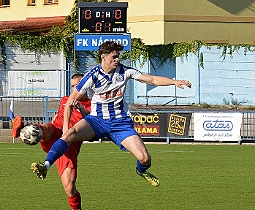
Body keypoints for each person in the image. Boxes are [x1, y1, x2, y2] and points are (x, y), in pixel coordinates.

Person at [31, 41, 192, 188]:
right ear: (104, 57)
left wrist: (174, 82)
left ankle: (141, 171)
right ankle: (45, 165)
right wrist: (66, 126)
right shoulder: (92, 76)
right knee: (68, 135)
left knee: (145, 158)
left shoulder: (125, 71)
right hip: (97, 121)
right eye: (114, 57)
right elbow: (70, 101)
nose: (117, 60)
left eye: (118, 56)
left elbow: (152, 79)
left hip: (120, 123)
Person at [12, 73, 92, 210]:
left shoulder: (93, 105)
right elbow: (58, 117)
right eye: (72, 86)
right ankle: (24, 128)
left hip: (70, 143)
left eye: (79, 85)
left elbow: (94, 123)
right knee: (44, 130)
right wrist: (57, 123)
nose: (75, 89)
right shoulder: (65, 99)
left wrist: (81, 109)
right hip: (56, 132)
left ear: (87, 86)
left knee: (70, 188)